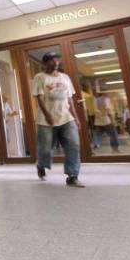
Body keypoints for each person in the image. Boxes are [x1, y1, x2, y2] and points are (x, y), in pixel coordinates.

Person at [33, 52, 84, 187]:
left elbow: (70, 100)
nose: (55, 62)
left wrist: (76, 117)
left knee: (73, 145)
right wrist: (48, 115)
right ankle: (41, 165)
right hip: (46, 121)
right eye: (52, 60)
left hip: (66, 118)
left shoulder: (65, 78)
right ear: (45, 63)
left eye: (57, 59)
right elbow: (39, 98)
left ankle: (72, 176)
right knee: (45, 148)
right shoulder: (40, 77)